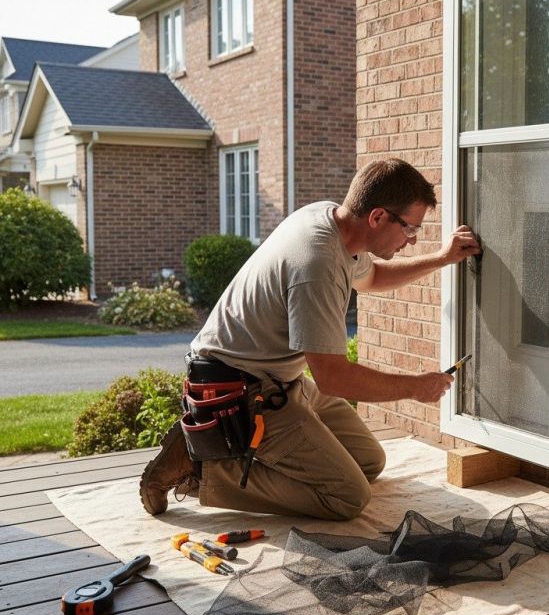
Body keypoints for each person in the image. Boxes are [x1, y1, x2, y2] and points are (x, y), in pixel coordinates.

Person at [139, 158, 481, 520]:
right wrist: (415, 388)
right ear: (378, 217)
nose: (411, 240)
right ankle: (201, 470)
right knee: (347, 497)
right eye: (410, 229)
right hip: (240, 390)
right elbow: (333, 379)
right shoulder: (318, 264)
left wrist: (442, 259)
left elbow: (373, 277)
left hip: (277, 378)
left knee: (368, 461)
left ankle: (258, 457)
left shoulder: (330, 219)